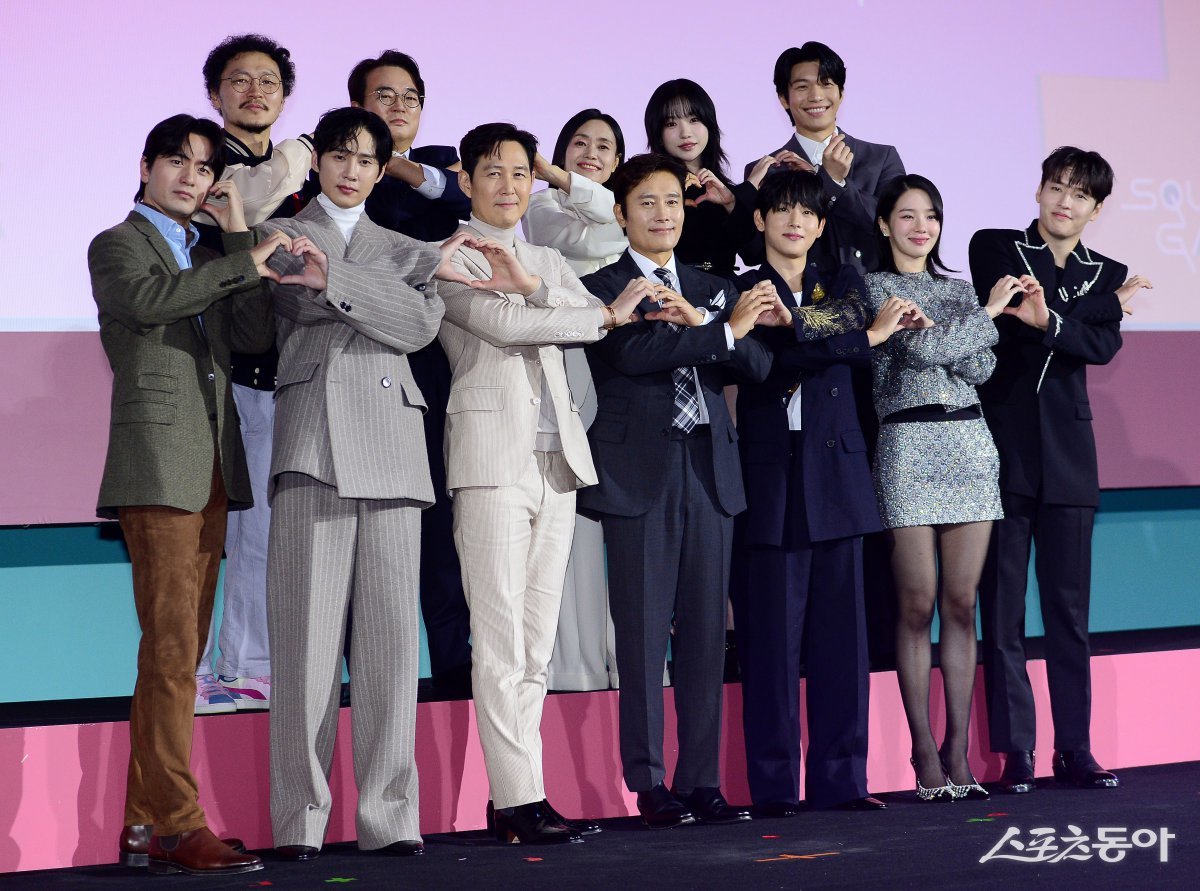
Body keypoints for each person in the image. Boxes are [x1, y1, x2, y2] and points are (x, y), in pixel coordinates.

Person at [435, 122, 644, 845]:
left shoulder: (548, 256)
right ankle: (519, 796)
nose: (509, 185)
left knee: (535, 643)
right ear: (466, 181)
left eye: (520, 174)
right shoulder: (451, 258)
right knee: (498, 641)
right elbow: (509, 326)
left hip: (557, 465)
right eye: (492, 172)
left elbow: (598, 318)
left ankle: (522, 793)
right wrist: (547, 302)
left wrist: (536, 286)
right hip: (492, 462)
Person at [90, 113, 281, 875]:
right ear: (146, 166)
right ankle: (178, 820)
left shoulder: (209, 251)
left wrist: (238, 237)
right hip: (159, 466)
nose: (193, 179)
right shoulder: (118, 244)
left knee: (178, 655)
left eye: (205, 169)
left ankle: (143, 823)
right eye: (179, 163)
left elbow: (257, 333)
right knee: (173, 655)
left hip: (211, 470)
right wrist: (240, 263)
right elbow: (147, 303)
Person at [259, 107, 450, 860]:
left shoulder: (408, 246)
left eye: (364, 159)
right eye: (337, 155)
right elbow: (289, 298)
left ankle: (390, 815)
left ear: (379, 170)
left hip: (396, 450)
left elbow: (416, 327)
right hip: (312, 442)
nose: (349, 169)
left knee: (391, 646)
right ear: (319, 164)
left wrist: (334, 275)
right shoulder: (278, 232)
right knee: (304, 645)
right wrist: (356, 288)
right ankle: (298, 820)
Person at [579, 153, 774, 829]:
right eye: (649, 204)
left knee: (702, 637)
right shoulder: (602, 285)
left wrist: (710, 323)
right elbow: (634, 354)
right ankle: (649, 781)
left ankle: (702, 780)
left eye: (673, 202)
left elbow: (757, 362)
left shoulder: (711, 284)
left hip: (710, 471)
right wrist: (713, 332)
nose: (664, 214)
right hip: (641, 474)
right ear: (621, 213)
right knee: (640, 636)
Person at [969, 147, 1151, 793]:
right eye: (1055, 186)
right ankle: (1015, 750)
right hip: (1005, 451)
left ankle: (1075, 747)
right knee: (1004, 610)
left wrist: (1058, 320)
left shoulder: (1111, 268)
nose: (1063, 201)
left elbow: (1099, 350)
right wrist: (1104, 307)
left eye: (1078, 194)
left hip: (1072, 461)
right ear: (1039, 189)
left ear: (1096, 210)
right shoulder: (996, 247)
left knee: (1070, 612)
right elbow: (1023, 325)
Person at [731, 170, 905, 815]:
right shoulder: (741, 287)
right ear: (760, 221)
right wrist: (854, 338)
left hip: (837, 475)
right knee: (772, 645)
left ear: (822, 225)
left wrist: (841, 335)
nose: (795, 223)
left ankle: (843, 781)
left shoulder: (847, 281)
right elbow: (773, 360)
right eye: (781, 211)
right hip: (773, 473)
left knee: (842, 641)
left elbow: (848, 338)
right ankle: (775, 788)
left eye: (807, 214)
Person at [865, 174, 1012, 801]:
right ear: (883, 224)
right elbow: (918, 354)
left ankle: (957, 751)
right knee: (916, 604)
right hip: (905, 445)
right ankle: (922, 749)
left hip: (971, 444)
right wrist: (981, 322)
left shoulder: (957, 291)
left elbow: (981, 366)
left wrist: (962, 329)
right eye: (906, 215)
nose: (920, 226)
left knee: (960, 602)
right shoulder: (871, 288)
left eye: (930, 216)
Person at [193, 32, 314, 715]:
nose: (255, 91)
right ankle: (224, 668)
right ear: (216, 94)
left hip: (291, 373)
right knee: (224, 532)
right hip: (222, 374)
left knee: (269, 532)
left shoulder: (302, 181)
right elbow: (244, 205)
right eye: (240, 80)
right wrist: (299, 155)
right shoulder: (200, 164)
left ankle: (245, 666)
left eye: (268, 80)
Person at [349, 50, 474, 695]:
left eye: (409, 97)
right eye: (383, 96)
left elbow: (456, 194)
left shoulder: (442, 167)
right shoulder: (336, 181)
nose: (398, 107)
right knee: (369, 538)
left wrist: (395, 162)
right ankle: (368, 678)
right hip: (358, 377)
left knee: (440, 527)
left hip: (429, 375)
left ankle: (455, 668)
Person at [522, 108, 627, 691]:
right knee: (578, 522)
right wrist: (571, 187)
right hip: (577, 365)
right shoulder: (542, 207)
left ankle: (625, 657)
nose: (591, 152)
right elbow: (606, 235)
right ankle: (577, 665)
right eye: (579, 144)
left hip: (628, 371)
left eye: (605, 146)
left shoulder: (620, 207)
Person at [748, 42, 905, 273]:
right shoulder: (766, 169)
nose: (816, 96)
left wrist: (831, 183)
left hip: (872, 299)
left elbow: (894, 226)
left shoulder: (881, 158)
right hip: (796, 302)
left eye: (826, 84)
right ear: (783, 98)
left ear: (841, 93)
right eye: (802, 87)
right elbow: (753, 253)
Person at [645, 79, 777, 278]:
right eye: (671, 123)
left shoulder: (725, 191)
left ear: (709, 124)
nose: (685, 133)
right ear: (658, 133)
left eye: (694, 119)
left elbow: (754, 255)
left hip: (725, 295)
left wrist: (733, 201)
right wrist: (748, 188)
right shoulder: (647, 185)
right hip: (673, 293)